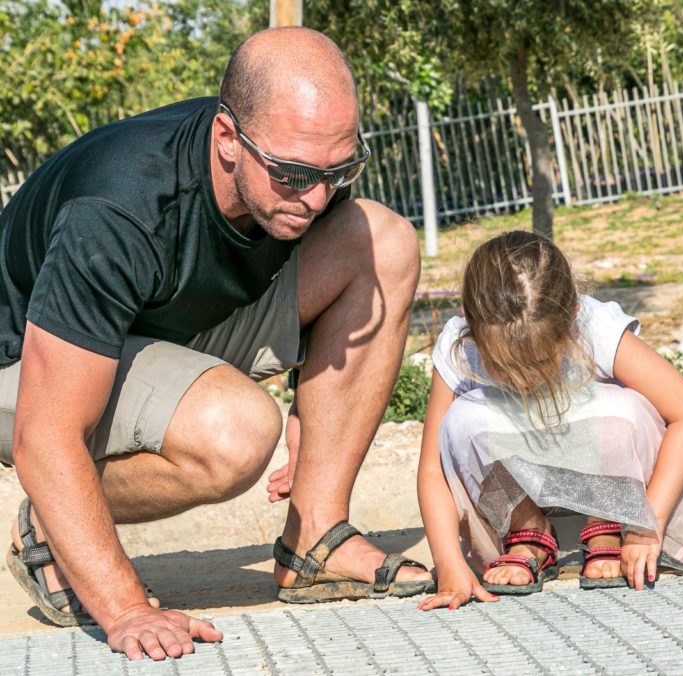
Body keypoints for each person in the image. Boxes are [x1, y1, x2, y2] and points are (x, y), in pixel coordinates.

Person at [0, 27, 434, 661]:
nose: (316, 197)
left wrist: (316, 403)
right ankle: (50, 529)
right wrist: (122, 608)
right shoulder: (119, 207)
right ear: (228, 139)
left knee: (383, 243)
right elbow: (45, 433)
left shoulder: (297, 162)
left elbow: (321, 215)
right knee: (235, 431)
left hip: (160, 321)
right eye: (293, 174)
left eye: (337, 169)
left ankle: (316, 539)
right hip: (26, 363)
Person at [416, 231, 683, 611]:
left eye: (536, 363)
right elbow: (434, 468)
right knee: (460, 420)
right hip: (524, 476)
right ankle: (528, 531)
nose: (520, 380)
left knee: (625, 408)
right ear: (468, 318)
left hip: (603, 473)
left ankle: (610, 523)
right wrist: (448, 563)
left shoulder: (595, 328)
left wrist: (648, 524)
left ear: (573, 319)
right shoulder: (459, 346)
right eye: (500, 365)